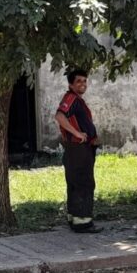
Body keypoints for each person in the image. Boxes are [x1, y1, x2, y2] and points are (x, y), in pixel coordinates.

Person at [55, 69, 102, 233]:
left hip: (79, 148)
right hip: (78, 149)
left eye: (84, 81)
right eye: (78, 81)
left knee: (75, 183)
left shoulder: (77, 100)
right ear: (71, 84)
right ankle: (83, 223)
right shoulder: (71, 98)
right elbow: (60, 116)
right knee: (84, 183)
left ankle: (75, 218)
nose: (83, 84)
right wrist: (77, 134)